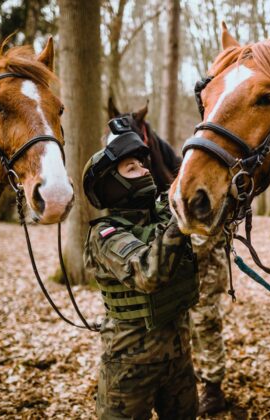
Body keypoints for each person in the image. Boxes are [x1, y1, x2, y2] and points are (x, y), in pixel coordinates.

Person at [83, 116, 198, 419]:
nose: (145, 170)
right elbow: (149, 272)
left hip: (179, 358)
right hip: (129, 367)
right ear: (112, 183)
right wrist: (180, 221)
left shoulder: (162, 213)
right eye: (131, 168)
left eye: (142, 164)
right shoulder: (105, 235)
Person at [189, 234, 228, 415]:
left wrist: (167, 245)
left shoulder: (208, 206)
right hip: (192, 273)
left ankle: (214, 390)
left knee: (206, 326)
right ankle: (203, 373)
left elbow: (202, 239)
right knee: (194, 327)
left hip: (207, 272)